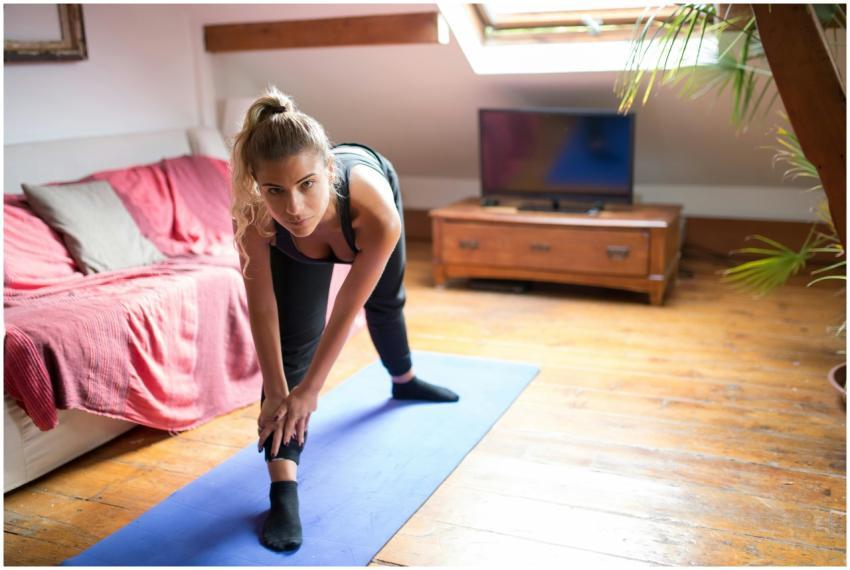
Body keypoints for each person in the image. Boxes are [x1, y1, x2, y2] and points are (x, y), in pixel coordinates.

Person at [229, 86, 460, 553]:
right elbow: (264, 308)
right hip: (303, 245)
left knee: (384, 302)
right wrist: (278, 390)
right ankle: (282, 491)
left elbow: (347, 306)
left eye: (306, 184)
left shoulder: (378, 215)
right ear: (258, 186)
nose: (293, 207)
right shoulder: (258, 218)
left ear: (328, 169)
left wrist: (310, 392)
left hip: (369, 194)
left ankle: (404, 378)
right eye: (275, 190)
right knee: (293, 345)